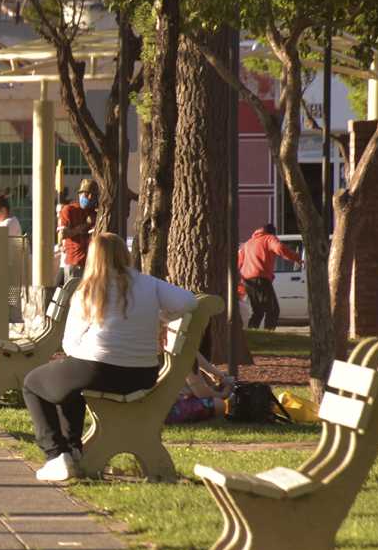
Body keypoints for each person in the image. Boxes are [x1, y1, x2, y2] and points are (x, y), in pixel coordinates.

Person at [22, 232, 196, 482]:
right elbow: (188, 301)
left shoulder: (89, 290)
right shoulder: (149, 284)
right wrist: (161, 317)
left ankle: (56, 455)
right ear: (123, 255)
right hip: (142, 375)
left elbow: (70, 342)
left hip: (97, 370)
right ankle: (73, 450)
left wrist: (77, 360)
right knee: (68, 381)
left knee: (33, 383)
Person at [237, 223, 302, 331]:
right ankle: (269, 333)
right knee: (273, 309)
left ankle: (252, 333)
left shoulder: (248, 243)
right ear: (272, 232)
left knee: (258, 311)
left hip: (247, 281)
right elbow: (280, 248)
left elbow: (238, 261)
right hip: (260, 278)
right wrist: (297, 258)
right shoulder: (269, 238)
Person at [165, 354, 235, 424]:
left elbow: (195, 354)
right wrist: (225, 393)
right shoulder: (186, 355)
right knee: (219, 404)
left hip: (159, 407)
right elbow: (202, 393)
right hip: (166, 412)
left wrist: (216, 373)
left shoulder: (177, 348)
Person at [57, 178, 98, 281]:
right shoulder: (69, 210)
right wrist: (85, 225)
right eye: (87, 194)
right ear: (80, 194)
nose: (89, 198)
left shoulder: (94, 213)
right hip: (75, 264)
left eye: (93, 195)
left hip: (91, 264)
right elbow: (63, 234)